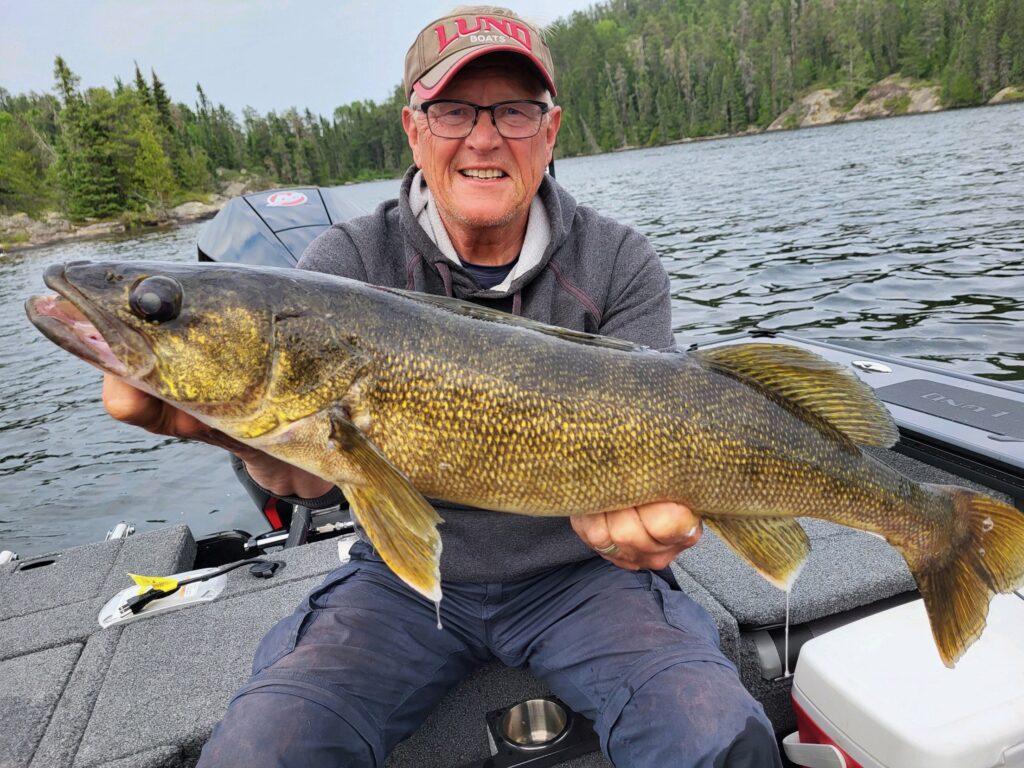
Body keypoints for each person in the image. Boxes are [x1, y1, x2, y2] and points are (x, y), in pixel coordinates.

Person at [103, 7, 782, 767]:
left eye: (515, 111)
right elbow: (311, 482)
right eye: (453, 110)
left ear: (550, 132)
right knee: (264, 750)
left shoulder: (618, 260)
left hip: (584, 579)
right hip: (402, 587)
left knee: (717, 735)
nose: (484, 137)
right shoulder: (347, 260)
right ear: (413, 128)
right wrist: (265, 455)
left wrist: (655, 529)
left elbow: (668, 427)